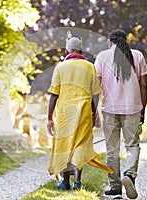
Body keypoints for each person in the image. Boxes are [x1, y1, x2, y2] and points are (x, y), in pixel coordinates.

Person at [47, 37, 113, 190]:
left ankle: (64, 182)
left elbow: (54, 94)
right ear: (81, 51)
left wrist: (49, 118)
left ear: (66, 51)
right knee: (81, 145)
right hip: (84, 111)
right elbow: (95, 93)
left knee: (65, 145)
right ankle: (77, 182)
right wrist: (93, 111)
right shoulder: (90, 67)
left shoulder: (60, 67)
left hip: (64, 112)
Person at [94, 29, 147, 199]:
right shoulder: (137, 55)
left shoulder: (102, 56)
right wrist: (143, 108)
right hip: (133, 108)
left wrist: (93, 109)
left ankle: (115, 187)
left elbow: (95, 86)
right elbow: (144, 85)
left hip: (109, 109)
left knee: (112, 150)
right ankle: (130, 175)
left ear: (110, 42)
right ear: (126, 41)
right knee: (132, 145)